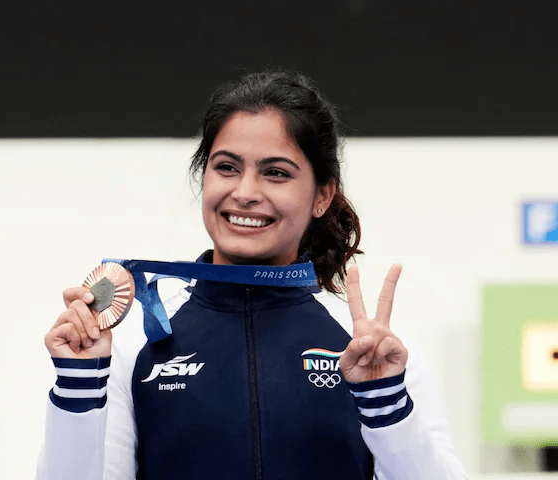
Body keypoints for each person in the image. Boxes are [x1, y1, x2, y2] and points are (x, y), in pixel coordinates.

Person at [37, 71, 469, 479]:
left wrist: (386, 408)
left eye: (276, 173)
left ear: (322, 196)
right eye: (226, 167)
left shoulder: (371, 351)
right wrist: (78, 390)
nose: (244, 193)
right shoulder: (136, 341)